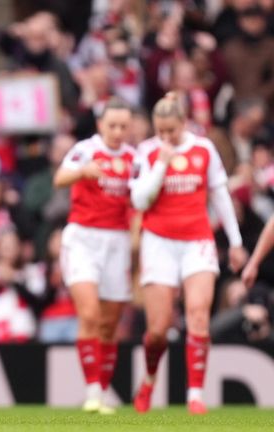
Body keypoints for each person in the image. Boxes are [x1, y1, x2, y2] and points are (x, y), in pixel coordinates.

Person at [129, 92, 247, 415]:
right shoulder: (148, 151)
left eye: (172, 131)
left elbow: (220, 195)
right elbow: (139, 201)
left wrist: (235, 242)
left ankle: (195, 394)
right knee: (158, 329)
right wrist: (161, 165)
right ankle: (150, 378)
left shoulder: (203, 148)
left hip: (197, 240)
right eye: (160, 131)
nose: (166, 137)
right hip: (159, 242)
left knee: (197, 315)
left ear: (184, 123)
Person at [53, 98, 136, 414]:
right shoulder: (86, 149)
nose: (117, 131)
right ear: (101, 125)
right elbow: (60, 178)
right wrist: (83, 172)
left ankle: (101, 391)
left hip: (117, 241)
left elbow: (141, 195)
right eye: (112, 125)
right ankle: (91, 393)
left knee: (110, 323)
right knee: (89, 314)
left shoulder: (133, 158)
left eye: (123, 126)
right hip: (83, 238)